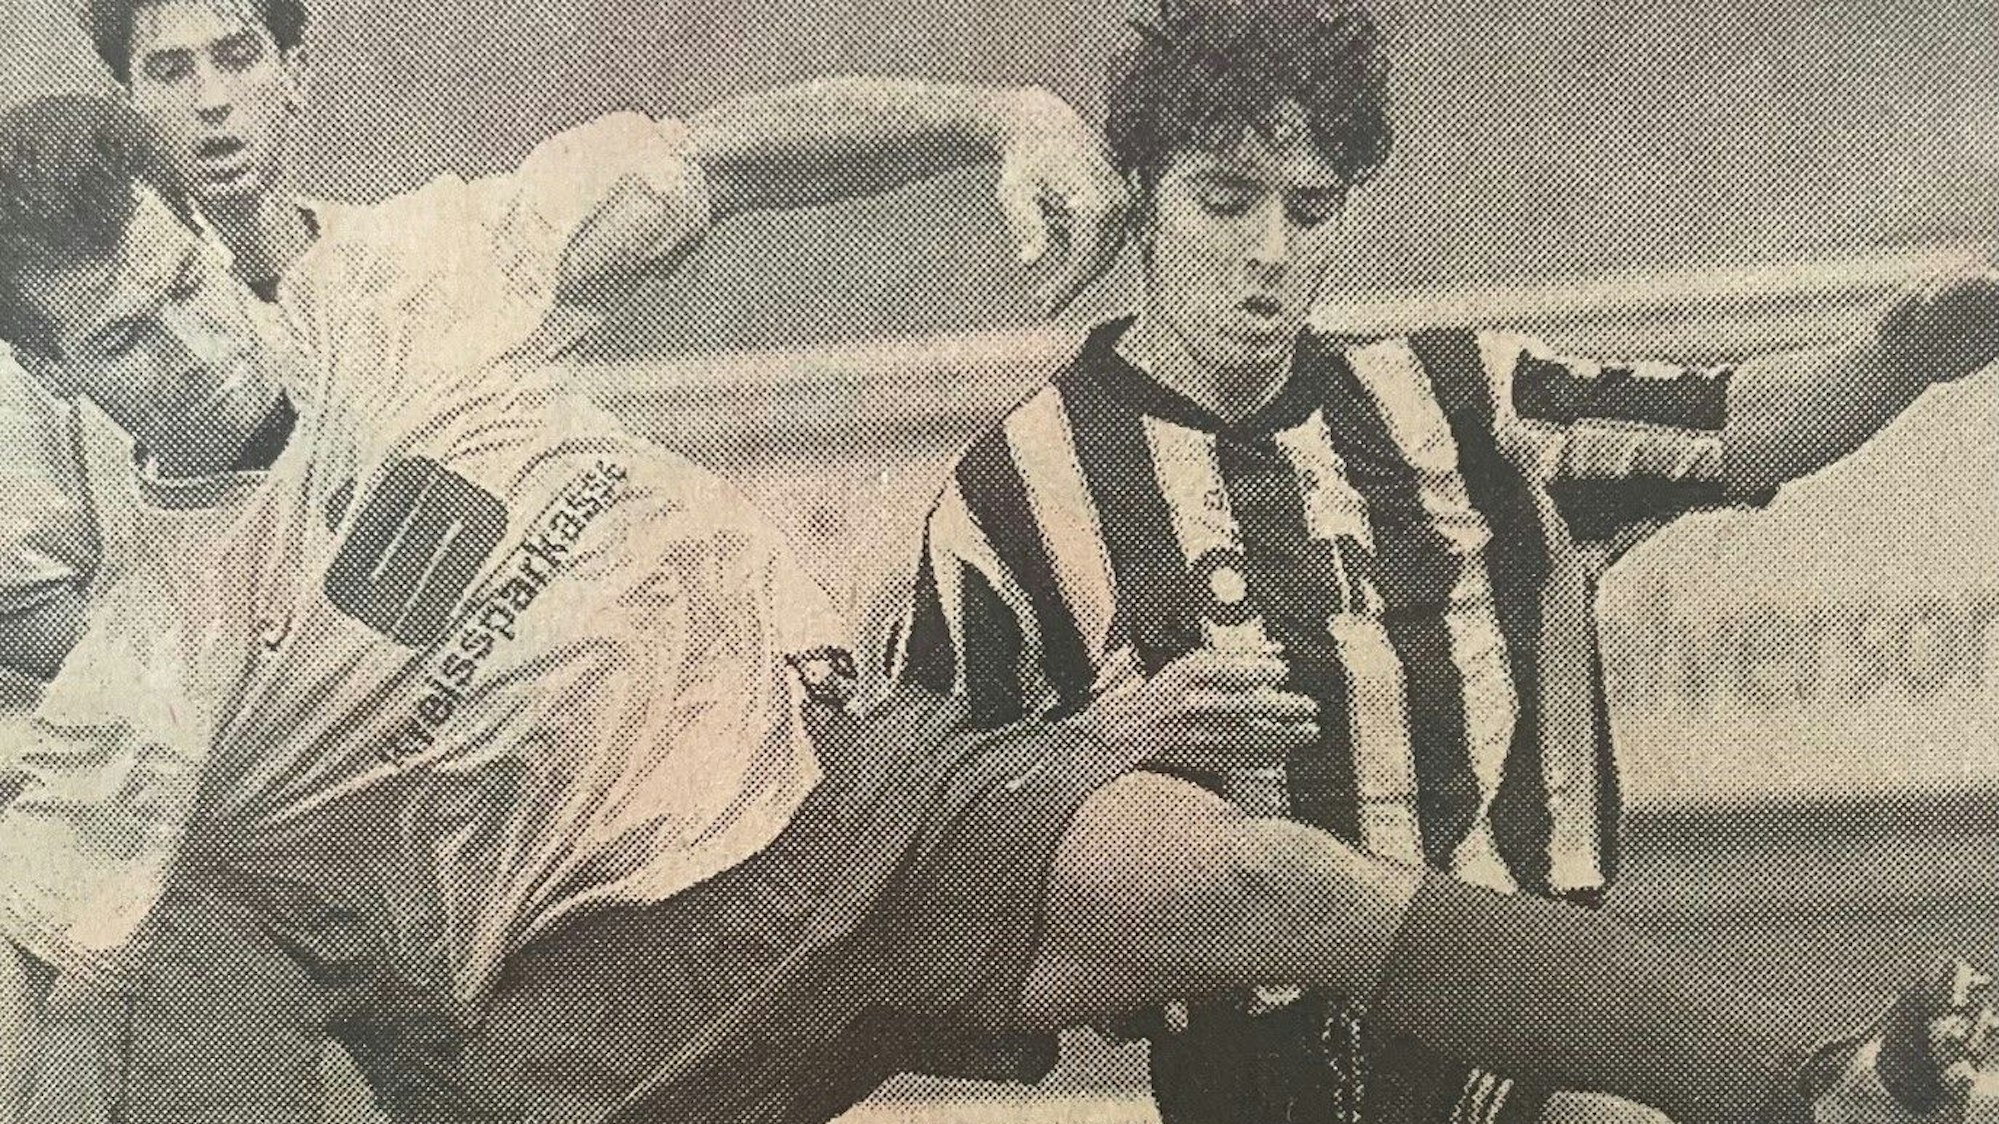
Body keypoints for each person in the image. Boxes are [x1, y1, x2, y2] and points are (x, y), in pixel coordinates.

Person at [0, 92, 1995, 1124]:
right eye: (124, 339)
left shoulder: (416, 278)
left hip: (857, 795)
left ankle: (1805, 1089)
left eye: (187, 279)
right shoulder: (150, 666)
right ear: (48, 374)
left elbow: (711, 160)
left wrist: (991, 117)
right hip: (605, 1010)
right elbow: (58, 979)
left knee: (1261, 881)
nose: (193, 339)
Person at [893, 2, 1999, 1122]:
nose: (1269, 251)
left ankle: (1829, 1097)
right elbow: (910, 825)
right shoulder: (1016, 485)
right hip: (1245, 1065)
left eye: (1310, 210)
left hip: (1509, 1008)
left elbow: (1733, 423)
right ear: (1140, 199)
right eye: (1225, 202)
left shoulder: (1459, 401)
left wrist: (1896, 356)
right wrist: (1100, 741)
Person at [0, 0, 1127, 684]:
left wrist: (1001, 118)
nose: (211, 100)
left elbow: (706, 164)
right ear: (125, 101)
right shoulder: (62, 374)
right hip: (371, 842)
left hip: (668, 710)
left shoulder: (432, 257)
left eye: (239, 54)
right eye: (170, 70)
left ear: (295, 72)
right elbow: (31, 611)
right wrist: (251, 681)